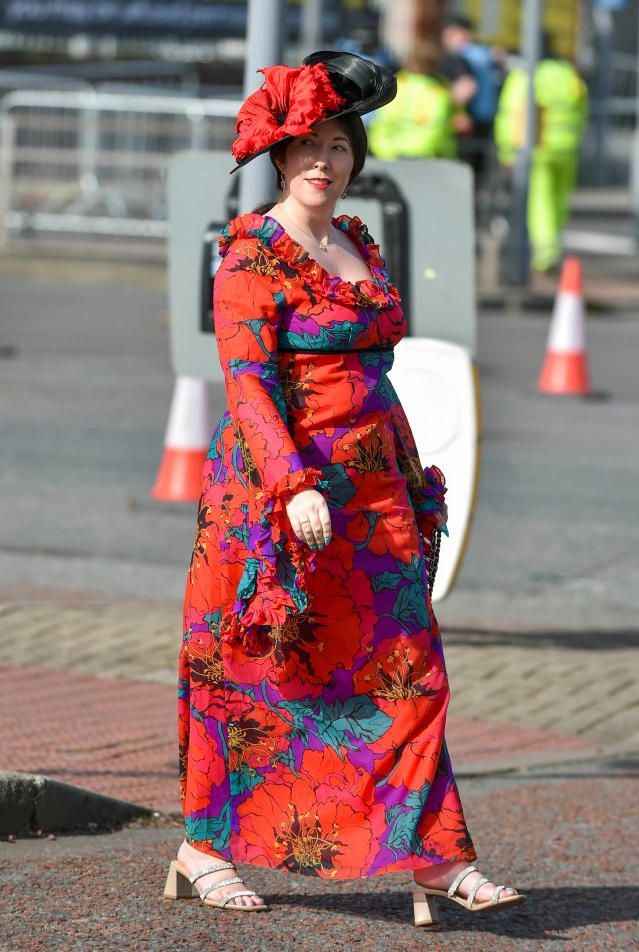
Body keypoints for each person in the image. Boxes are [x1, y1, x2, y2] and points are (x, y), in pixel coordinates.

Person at [164, 50, 525, 926]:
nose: (322, 159)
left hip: (377, 495)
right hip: (279, 497)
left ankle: (435, 857)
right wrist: (292, 485)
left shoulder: (357, 240)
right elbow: (245, 383)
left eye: (337, 143)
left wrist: (406, 468)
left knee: (411, 671)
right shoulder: (252, 251)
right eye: (306, 146)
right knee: (261, 666)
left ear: (355, 155)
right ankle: (203, 846)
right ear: (279, 159)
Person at [495, 52, 588, 272]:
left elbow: (511, 115)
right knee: (559, 198)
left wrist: (507, 153)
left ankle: (545, 252)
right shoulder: (570, 76)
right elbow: (583, 111)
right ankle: (554, 244)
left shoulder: (523, 76)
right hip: (567, 146)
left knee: (541, 200)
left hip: (538, 147)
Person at [439, 15, 504, 183]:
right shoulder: (484, 53)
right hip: (485, 119)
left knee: (460, 174)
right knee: (474, 175)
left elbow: (467, 88)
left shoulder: (461, 56)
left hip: (465, 123)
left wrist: (447, 106)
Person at [368, 42, 457, 161]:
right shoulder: (440, 92)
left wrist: (385, 152)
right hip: (427, 162)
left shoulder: (393, 85)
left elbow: (380, 123)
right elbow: (436, 133)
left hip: (387, 157)